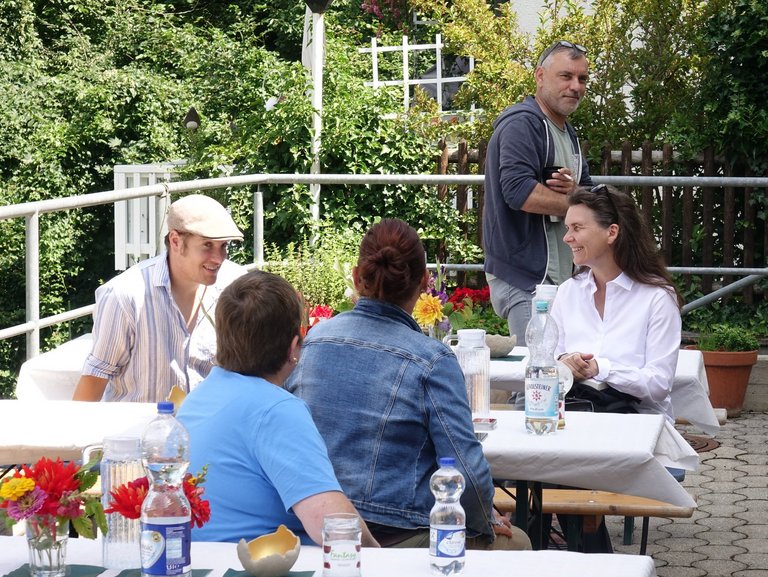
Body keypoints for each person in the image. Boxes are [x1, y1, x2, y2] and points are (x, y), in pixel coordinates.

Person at [285, 219, 531, 550]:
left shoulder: (314, 340)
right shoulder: (432, 360)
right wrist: (483, 521)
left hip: (317, 527)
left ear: (357, 277)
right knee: (517, 544)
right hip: (399, 534)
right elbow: (465, 470)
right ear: (424, 283)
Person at [176, 270, 378, 547]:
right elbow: (333, 526)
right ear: (294, 346)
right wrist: (379, 557)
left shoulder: (197, 399)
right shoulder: (276, 409)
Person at [72, 194, 247, 402]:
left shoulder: (234, 285)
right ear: (175, 241)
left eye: (224, 246)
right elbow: (95, 379)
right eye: (207, 245)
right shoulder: (125, 295)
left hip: (208, 430)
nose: (218, 258)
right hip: (140, 431)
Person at [484, 40, 593, 343]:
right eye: (566, 76)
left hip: (557, 281)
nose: (575, 86)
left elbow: (590, 194)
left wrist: (577, 194)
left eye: (582, 79)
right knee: (535, 378)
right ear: (540, 76)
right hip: (526, 279)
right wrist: (575, 200)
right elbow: (519, 193)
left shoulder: (566, 132)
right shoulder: (522, 125)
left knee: (552, 377)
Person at [551, 184, 683, 422]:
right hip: (575, 420)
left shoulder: (657, 297)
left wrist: (602, 369)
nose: (567, 237)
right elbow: (550, 363)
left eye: (577, 228)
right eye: (568, 228)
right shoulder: (567, 293)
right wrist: (564, 363)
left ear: (612, 232)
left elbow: (659, 384)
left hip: (639, 426)